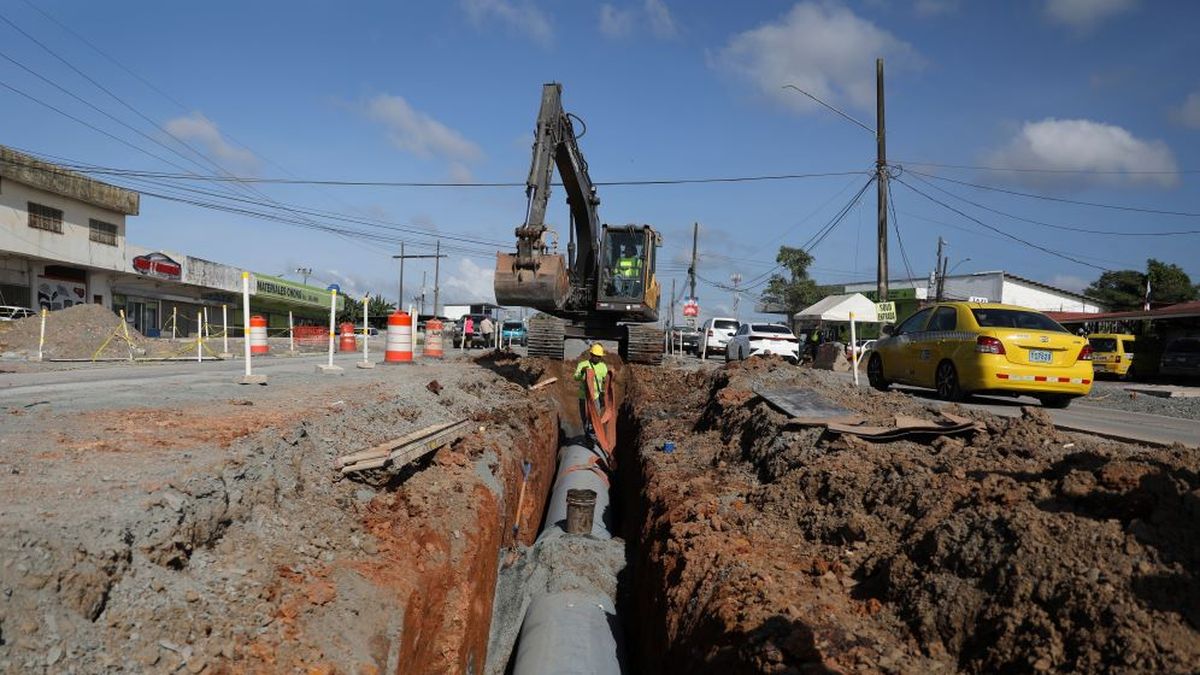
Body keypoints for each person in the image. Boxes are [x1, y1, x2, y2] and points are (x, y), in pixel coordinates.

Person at [573, 343, 608, 440]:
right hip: (584, 396)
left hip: (596, 396)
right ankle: (587, 435)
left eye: (599, 356)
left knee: (595, 417)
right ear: (591, 355)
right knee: (585, 417)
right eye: (596, 356)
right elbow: (576, 377)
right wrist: (582, 372)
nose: (598, 358)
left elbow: (606, 380)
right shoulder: (583, 365)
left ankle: (593, 436)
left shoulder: (603, 366)